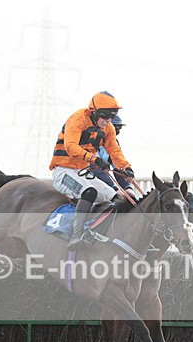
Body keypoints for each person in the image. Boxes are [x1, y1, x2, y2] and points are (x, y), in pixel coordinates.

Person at [49, 91, 136, 249]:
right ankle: (76, 237)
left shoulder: (108, 128)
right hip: (63, 171)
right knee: (89, 192)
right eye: (105, 115)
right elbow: (70, 146)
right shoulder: (77, 119)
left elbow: (115, 151)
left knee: (118, 198)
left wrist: (126, 167)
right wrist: (94, 158)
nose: (108, 120)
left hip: (82, 172)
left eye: (112, 115)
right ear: (94, 112)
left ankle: (95, 233)